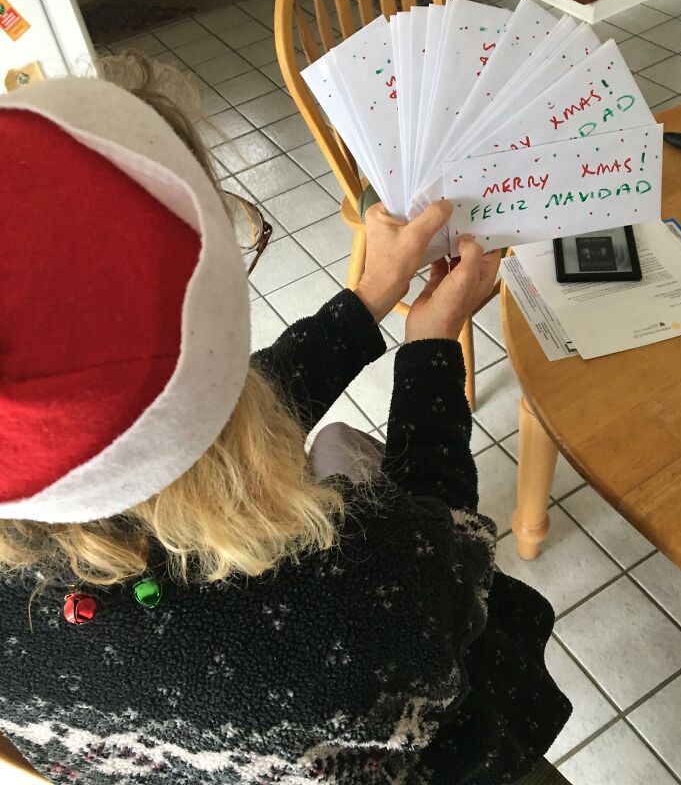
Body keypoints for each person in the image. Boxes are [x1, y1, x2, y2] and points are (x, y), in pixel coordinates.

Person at [0, 55, 571, 785]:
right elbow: (443, 543)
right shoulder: (345, 597)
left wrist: (366, 299)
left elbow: (187, 420)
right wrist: (431, 346)